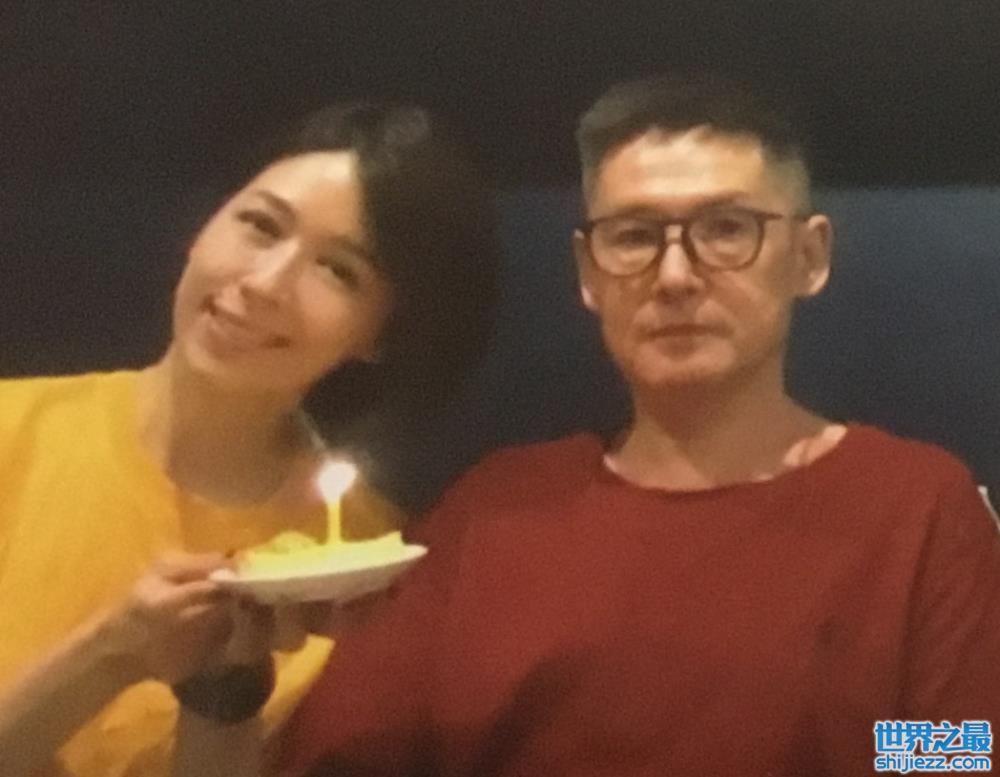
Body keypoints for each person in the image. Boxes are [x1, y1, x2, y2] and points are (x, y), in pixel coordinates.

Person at [194, 75, 1000, 776]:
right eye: (634, 236)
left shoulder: (914, 505)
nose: (675, 275)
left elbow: (961, 752)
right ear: (588, 273)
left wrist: (843, 737)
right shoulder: (496, 511)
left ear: (808, 256)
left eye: (727, 229)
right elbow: (347, 758)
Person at [0, 101, 499, 777]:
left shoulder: (354, 573)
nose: (265, 284)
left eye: (338, 270)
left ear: (380, 335)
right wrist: (110, 653)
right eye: (261, 226)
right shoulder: (16, 430)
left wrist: (226, 691)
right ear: (205, 225)